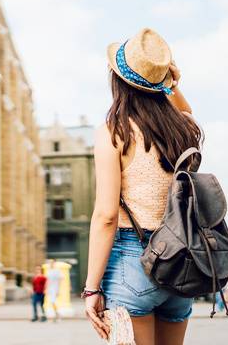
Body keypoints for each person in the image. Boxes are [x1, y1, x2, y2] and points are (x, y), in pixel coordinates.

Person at [83, 29, 201, 344]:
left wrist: (92, 288)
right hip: (181, 261)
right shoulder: (185, 129)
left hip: (133, 259)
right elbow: (187, 112)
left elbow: (106, 216)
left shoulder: (114, 132)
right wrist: (172, 86)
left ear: (118, 81)